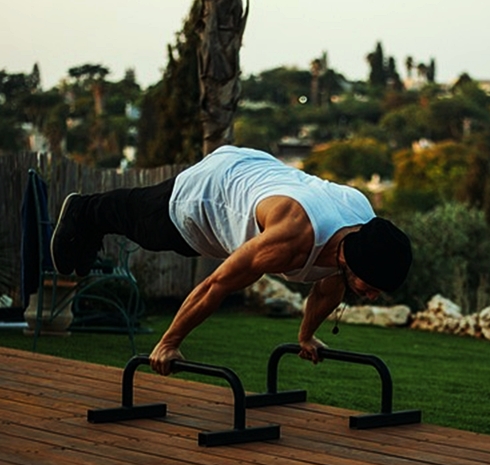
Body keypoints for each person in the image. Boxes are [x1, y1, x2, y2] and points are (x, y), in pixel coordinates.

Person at [51, 145, 412, 375]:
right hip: (210, 192)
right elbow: (216, 285)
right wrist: (168, 343)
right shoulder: (290, 237)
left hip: (257, 169)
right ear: (351, 261)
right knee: (147, 226)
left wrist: (307, 336)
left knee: (151, 227)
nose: (372, 296)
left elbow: (327, 290)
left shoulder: (361, 227)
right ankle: (84, 211)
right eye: (372, 287)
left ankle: (89, 221)